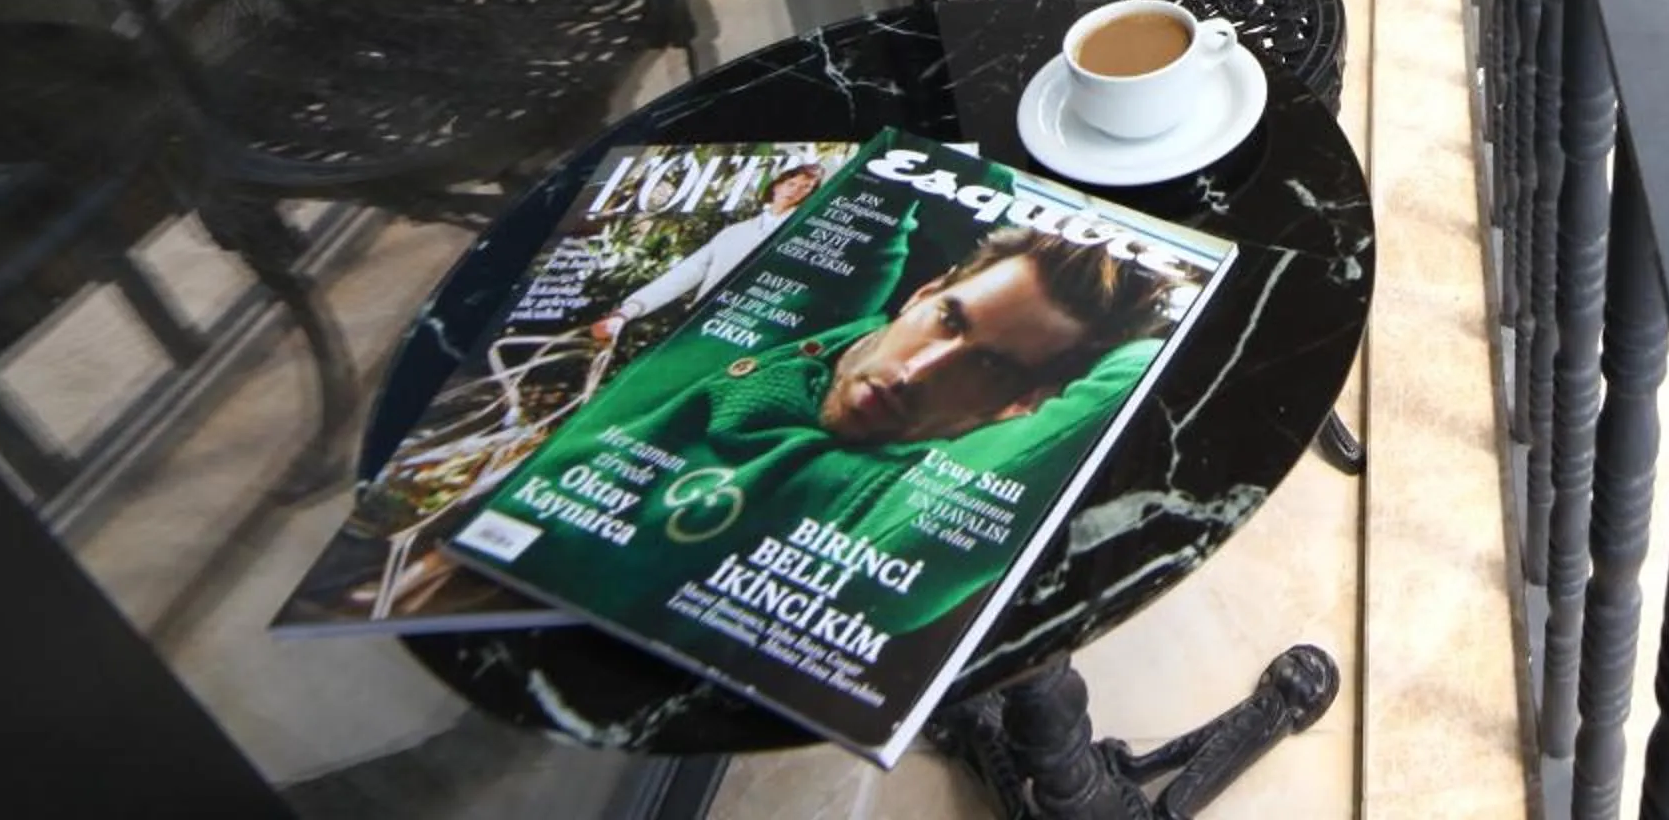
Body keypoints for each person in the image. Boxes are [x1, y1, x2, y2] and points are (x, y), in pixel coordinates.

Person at [487, 205, 1186, 634]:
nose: (916, 372)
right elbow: (886, 184)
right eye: (947, 319)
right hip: (451, 555)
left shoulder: (901, 510)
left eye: (993, 367)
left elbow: (1120, 384)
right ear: (923, 291)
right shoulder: (807, 315)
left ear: (1026, 404)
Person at [591, 159, 824, 344]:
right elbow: (687, 272)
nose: (795, 191)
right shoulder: (734, 232)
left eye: (806, 188)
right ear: (777, 186)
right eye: (792, 184)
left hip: (761, 336)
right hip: (700, 328)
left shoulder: (806, 234)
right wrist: (629, 311)